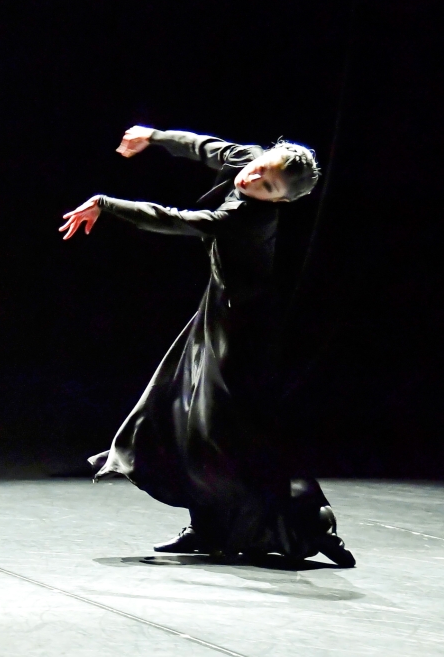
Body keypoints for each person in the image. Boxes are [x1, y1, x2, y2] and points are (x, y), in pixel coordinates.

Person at [60, 126, 354, 565]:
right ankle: (208, 527)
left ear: (281, 201)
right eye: (257, 170)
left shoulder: (246, 221)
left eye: (267, 185)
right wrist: (154, 135)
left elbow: (175, 220)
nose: (252, 179)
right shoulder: (249, 162)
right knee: (181, 415)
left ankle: (310, 525)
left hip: (242, 332)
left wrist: (107, 204)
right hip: (215, 315)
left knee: (225, 435)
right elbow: (202, 147)